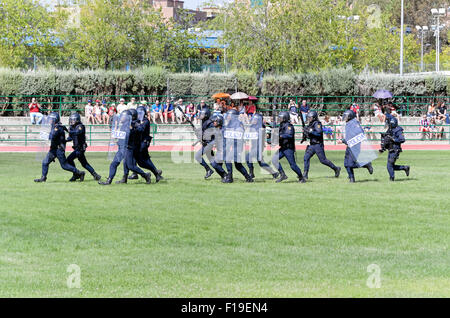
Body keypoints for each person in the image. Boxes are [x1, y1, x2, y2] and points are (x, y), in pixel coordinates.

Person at [101, 110, 151, 184]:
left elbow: (134, 133)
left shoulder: (133, 125)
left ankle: (145, 175)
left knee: (131, 166)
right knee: (114, 163)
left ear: (127, 118)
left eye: (122, 116)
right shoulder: (124, 125)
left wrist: (132, 129)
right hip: (121, 148)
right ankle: (109, 181)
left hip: (128, 148)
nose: (121, 118)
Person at [34, 112, 85, 182]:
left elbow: (52, 136)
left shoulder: (58, 128)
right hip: (53, 149)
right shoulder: (54, 126)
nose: (50, 121)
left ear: (55, 119)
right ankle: (43, 178)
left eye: (51, 119)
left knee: (64, 166)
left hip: (59, 150)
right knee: (45, 162)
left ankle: (79, 173)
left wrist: (44, 135)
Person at [118, 106, 163, 183]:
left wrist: (133, 126)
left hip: (141, 144)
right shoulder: (134, 122)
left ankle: (154, 173)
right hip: (135, 144)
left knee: (142, 162)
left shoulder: (143, 121)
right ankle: (126, 177)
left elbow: (140, 129)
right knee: (127, 161)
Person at [302, 110, 341, 180]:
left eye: (310, 117)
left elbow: (318, 133)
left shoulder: (317, 124)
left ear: (314, 117)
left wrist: (310, 131)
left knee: (323, 160)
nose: (309, 119)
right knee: (306, 158)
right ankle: (305, 174)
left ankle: (336, 168)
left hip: (318, 145)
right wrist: (305, 133)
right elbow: (309, 136)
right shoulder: (310, 125)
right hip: (312, 145)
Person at [271, 111, 306, 183]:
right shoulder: (281, 125)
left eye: (280, 118)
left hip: (288, 149)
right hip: (283, 148)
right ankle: (282, 174)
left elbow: (289, 135)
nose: (279, 119)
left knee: (293, 165)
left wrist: (280, 136)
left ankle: (301, 177)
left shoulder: (289, 126)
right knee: (274, 159)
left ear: (285, 118)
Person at [66, 112, 101, 181]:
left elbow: (77, 132)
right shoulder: (71, 127)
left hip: (80, 148)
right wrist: (64, 140)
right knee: (84, 163)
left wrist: (68, 131)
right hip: (76, 148)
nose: (71, 121)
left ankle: (76, 174)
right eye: (71, 120)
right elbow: (70, 138)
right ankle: (95, 175)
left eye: (73, 120)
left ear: (77, 120)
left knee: (69, 159)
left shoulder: (80, 126)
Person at [341, 110, 374, 183]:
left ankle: (366, 164)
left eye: (347, 116)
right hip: (349, 146)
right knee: (346, 164)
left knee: (350, 164)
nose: (345, 118)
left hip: (355, 146)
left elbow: (360, 134)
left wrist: (345, 140)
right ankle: (351, 179)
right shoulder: (348, 124)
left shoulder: (355, 123)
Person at [222, 109, 253, 183]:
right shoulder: (229, 123)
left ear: (233, 116)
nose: (228, 117)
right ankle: (248, 178)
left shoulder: (238, 124)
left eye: (230, 115)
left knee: (233, 162)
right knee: (236, 164)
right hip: (232, 145)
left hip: (237, 146)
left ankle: (230, 178)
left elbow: (240, 134)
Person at [245, 113, 279, 179]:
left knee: (247, 157)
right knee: (260, 162)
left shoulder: (261, 127)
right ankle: (274, 173)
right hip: (254, 146)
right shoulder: (253, 126)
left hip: (258, 147)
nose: (253, 120)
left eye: (255, 119)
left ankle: (251, 173)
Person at [382, 116, 410, 181]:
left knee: (389, 165)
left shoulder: (398, 130)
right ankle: (405, 168)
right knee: (390, 166)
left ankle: (392, 178)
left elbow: (402, 139)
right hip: (390, 149)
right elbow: (387, 137)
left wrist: (394, 139)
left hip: (395, 149)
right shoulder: (390, 129)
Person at [194, 108, 216, 179]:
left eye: (202, 114)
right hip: (206, 143)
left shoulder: (210, 123)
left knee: (197, 156)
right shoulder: (204, 122)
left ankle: (208, 170)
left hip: (209, 143)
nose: (201, 115)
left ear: (206, 115)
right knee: (213, 162)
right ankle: (224, 174)